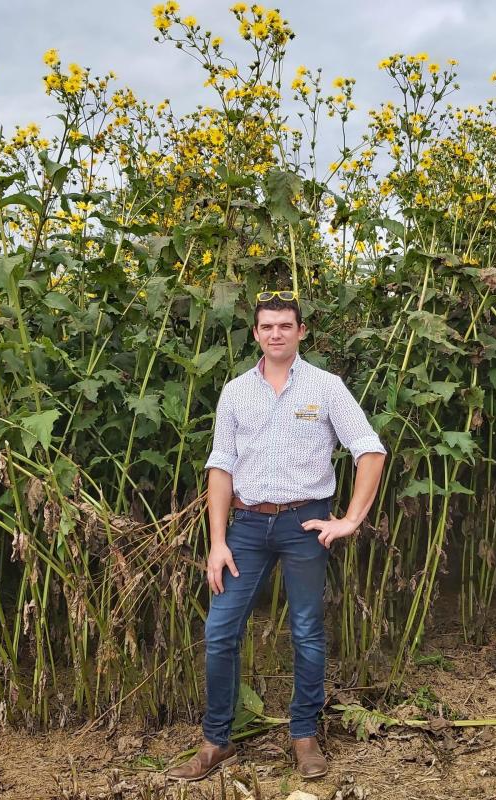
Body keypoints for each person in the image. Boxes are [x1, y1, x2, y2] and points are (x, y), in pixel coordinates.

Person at [168, 290, 386, 782]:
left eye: (285, 325)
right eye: (267, 326)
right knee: (220, 631)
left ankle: (304, 736)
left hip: (304, 523)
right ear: (256, 333)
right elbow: (220, 466)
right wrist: (217, 541)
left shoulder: (326, 387)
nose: (276, 334)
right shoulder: (235, 392)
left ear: (301, 331)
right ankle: (215, 742)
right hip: (244, 527)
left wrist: (349, 519)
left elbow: (369, 450)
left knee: (307, 630)